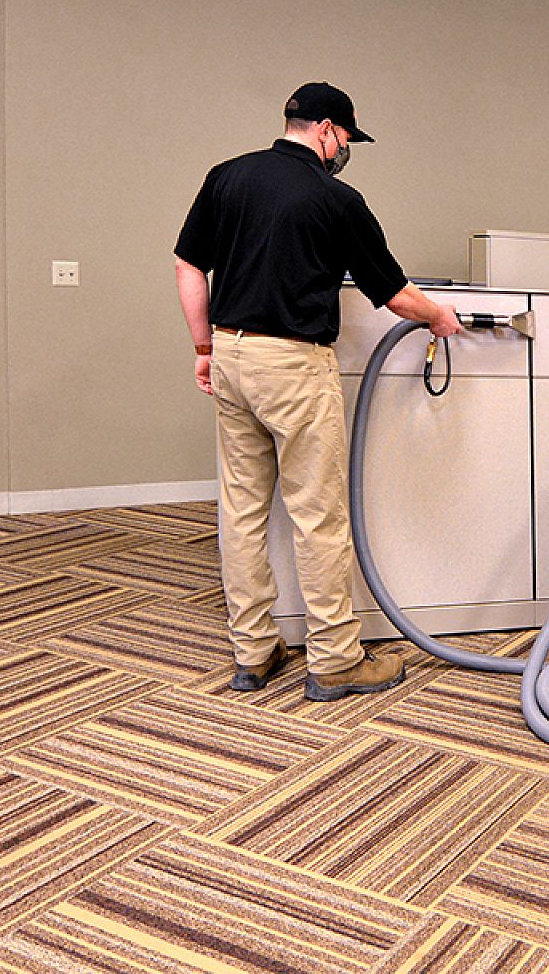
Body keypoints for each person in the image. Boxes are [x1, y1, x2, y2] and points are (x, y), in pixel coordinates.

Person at [174, 82, 462, 701]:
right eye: (347, 138)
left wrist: (204, 347)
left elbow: (188, 264)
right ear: (327, 129)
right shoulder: (336, 199)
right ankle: (334, 659)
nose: (345, 150)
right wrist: (438, 316)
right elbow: (394, 295)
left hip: (231, 354)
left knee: (241, 510)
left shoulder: (226, 177)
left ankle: (253, 651)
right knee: (318, 516)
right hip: (294, 367)